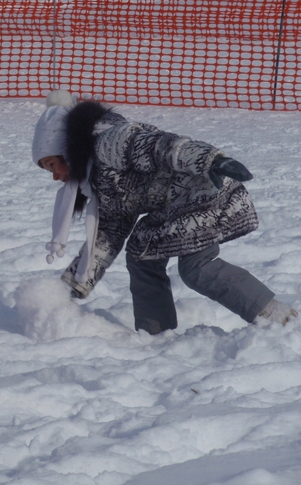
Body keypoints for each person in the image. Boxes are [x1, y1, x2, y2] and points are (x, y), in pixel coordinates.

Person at [32, 90, 298, 334]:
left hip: (206, 186)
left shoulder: (109, 142)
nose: (55, 176)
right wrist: (72, 286)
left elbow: (159, 146)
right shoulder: (99, 183)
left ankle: (279, 317)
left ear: (66, 149)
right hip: (179, 206)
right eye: (48, 170)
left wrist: (210, 160)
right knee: (141, 255)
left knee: (197, 268)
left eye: (53, 164)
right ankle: (156, 336)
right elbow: (107, 235)